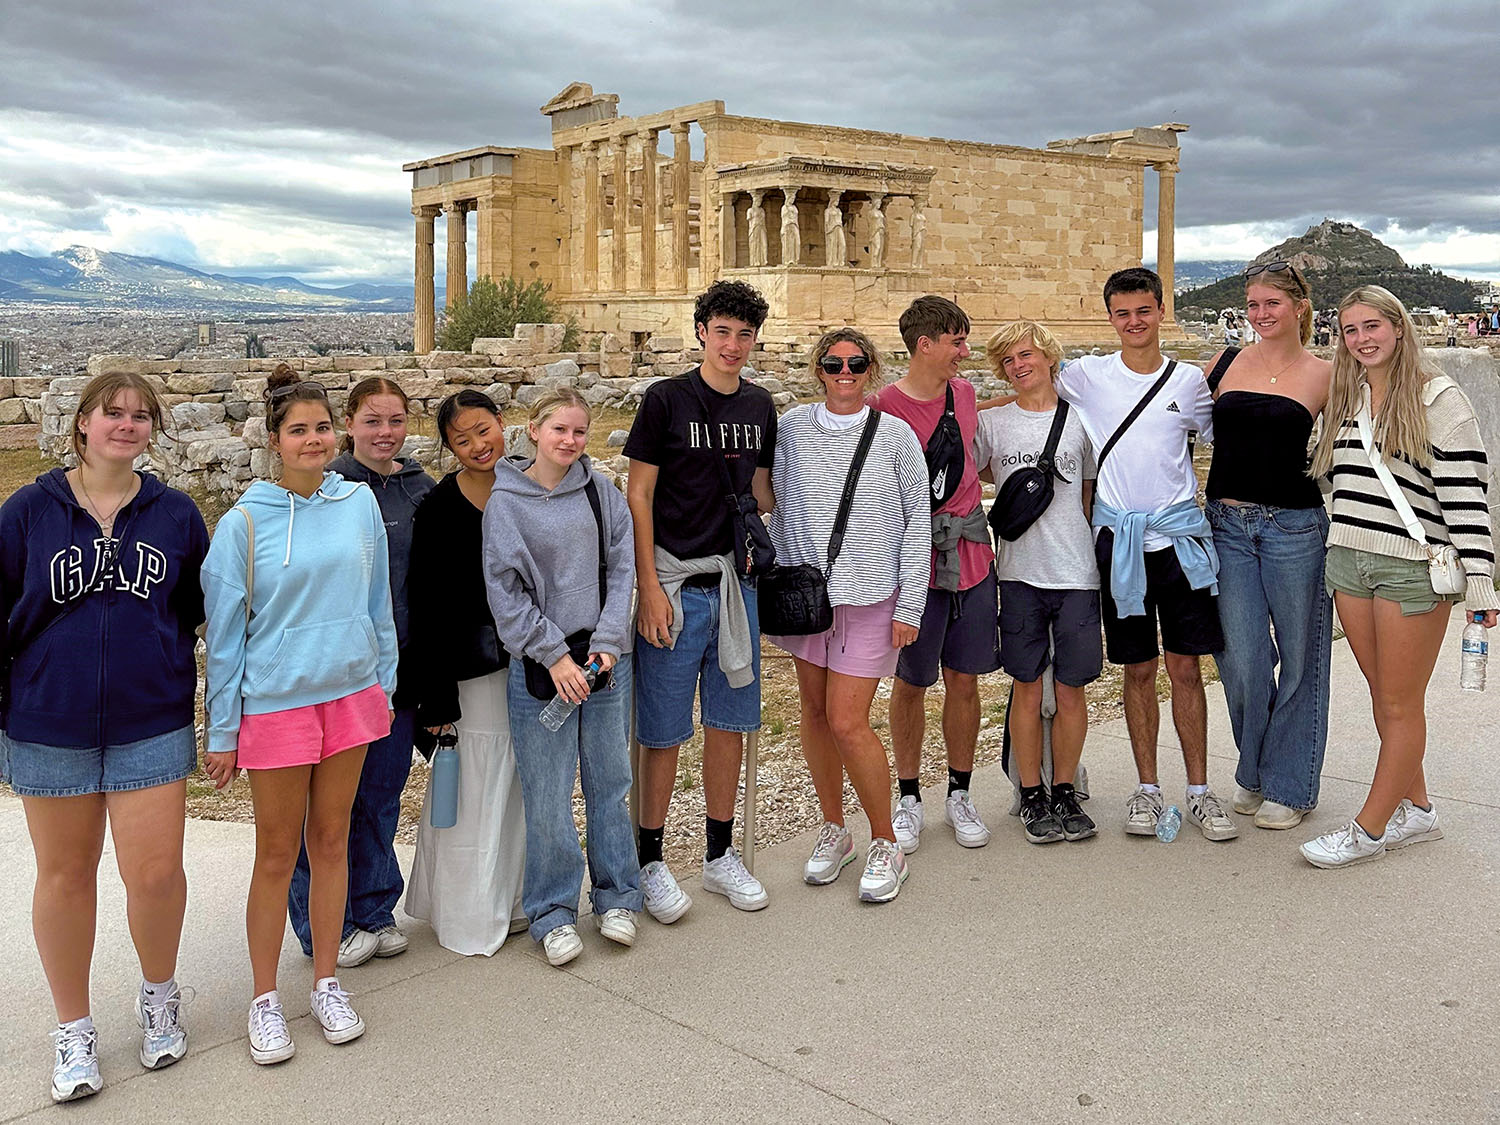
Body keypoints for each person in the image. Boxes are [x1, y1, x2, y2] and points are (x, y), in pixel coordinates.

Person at [0, 372, 207, 1102]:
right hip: (48, 720)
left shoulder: (176, 515)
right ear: (82, 422)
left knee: (154, 873)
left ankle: (158, 996)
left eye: (140, 415)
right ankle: (73, 1026)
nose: (126, 424)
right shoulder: (26, 511)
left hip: (149, 716)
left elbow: (190, 610)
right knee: (65, 876)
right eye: (112, 412)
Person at [201, 366, 398, 1064]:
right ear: (275, 439)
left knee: (334, 840)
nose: (313, 439)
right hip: (279, 702)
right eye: (299, 430)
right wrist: (221, 730)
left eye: (322, 427)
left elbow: (378, 603)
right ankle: (263, 999)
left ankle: (325, 980)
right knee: (278, 853)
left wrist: (385, 682)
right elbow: (224, 638)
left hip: (349, 695)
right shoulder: (243, 523)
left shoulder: (359, 505)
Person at [1300, 286, 1497, 868]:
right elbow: (1330, 476)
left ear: (1399, 327)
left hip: (1411, 568)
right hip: (1348, 561)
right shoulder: (1347, 395)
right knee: (1384, 701)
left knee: (1400, 702)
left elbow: (1467, 497)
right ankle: (1419, 810)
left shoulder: (1439, 398)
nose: (1362, 339)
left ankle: (1369, 828)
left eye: (1372, 326)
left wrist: (1481, 584)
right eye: (1350, 330)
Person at [1055, 267, 1237, 840]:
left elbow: (1216, 438)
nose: (1134, 322)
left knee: (1187, 667)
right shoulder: (1087, 375)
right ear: (1110, 317)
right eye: (1122, 313)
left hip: (1178, 542)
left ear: (1161, 310)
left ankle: (1202, 791)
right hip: (1120, 542)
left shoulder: (1187, 381)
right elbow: (1031, 389)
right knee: (1137, 668)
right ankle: (1147, 788)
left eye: (1144, 311)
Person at [625, 280, 776, 919]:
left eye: (744, 334)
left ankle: (718, 856)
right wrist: (649, 588)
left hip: (735, 587)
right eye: (722, 331)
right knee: (661, 730)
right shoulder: (665, 400)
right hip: (675, 586)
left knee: (729, 725)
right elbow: (638, 494)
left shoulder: (761, 406)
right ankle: (651, 862)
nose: (733, 345)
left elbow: (764, 492)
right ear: (701, 332)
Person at [766, 328, 929, 901]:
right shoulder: (792, 428)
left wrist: (911, 603)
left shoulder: (895, 435)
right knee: (812, 713)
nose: (844, 372)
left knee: (847, 720)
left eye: (855, 364)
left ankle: (887, 841)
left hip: (871, 598)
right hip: (808, 600)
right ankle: (835, 829)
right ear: (818, 369)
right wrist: (778, 580)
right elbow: (778, 507)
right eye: (833, 363)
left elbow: (916, 524)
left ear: (870, 370)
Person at [484, 389, 641, 966]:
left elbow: (622, 565)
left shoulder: (601, 491)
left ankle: (618, 896)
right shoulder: (506, 504)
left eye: (580, 431)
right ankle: (552, 911)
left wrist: (606, 644)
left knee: (610, 783)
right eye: (560, 430)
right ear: (534, 430)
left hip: (602, 662)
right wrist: (553, 655)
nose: (571, 441)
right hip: (542, 670)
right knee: (548, 795)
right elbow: (504, 590)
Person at [288, 376, 433, 968]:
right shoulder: (328, 487)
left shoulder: (419, 488)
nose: (384, 432)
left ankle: (373, 906)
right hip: (339, 671)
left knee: (380, 795)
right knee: (325, 807)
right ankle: (319, 922)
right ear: (349, 423)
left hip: (400, 669)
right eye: (372, 420)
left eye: (395, 420)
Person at [1202, 262, 1332, 830]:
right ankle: (1253, 769)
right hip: (1227, 527)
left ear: (1300, 305)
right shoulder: (1225, 363)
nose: (1259, 314)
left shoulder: (1327, 373)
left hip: (1296, 528)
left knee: (1302, 658)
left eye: (1271, 303)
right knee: (1242, 660)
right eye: (1251, 304)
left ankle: (1290, 784)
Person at [871, 295, 1000, 853]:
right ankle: (907, 796)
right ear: (925, 344)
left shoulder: (965, 394)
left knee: (965, 679)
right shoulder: (882, 407)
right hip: (913, 563)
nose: (965, 353)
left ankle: (960, 791)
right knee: (911, 682)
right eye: (957, 342)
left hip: (971, 553)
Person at [404, 391, 526, 955]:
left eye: (484, 430)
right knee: (475, 781)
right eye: (462, 439)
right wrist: (434, 698)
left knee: (524, 782)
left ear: (502, 423)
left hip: (532, 659)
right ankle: (467, 910)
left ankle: (518, 895)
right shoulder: (438, 508)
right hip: (470, 670)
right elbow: (425, 604)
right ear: (449, 448)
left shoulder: (530, 486)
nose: (479, 446)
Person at [976, 322, 1102, 844]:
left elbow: (1091, 496)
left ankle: (1066, 788)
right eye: (1007, 360)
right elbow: (975, 477)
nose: (1018, 366)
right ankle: (1031, 793)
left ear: (1050, 356)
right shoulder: (993, 423)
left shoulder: (1083, 422)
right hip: (1019, 572)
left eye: (1025, 355)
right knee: (1026, 686)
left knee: (1072, 689)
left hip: (1077, 573)